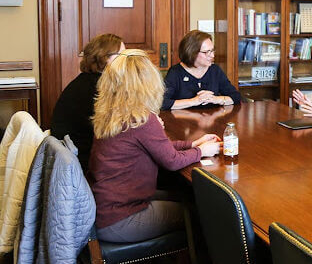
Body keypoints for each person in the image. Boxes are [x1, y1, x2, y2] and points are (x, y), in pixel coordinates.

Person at [89, 48, 221, 243]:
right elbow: (171, 161)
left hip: (106, 209)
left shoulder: (113, 112)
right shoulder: (141, 118)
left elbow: (157, 147)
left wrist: (192, 143)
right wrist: (202, 151)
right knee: (201, 214)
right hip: (121, 219)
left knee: (184, 196)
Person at [50, 33, 125, 171]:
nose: (126, 60)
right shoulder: (98, 87)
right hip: (83, 162)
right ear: (104, 57)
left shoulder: (86, 81)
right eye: (121, 55)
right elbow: (115, 130)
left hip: (72, 156)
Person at [162, 30, 241, 110]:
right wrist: (194, 101)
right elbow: (162, 103)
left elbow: (236, 96)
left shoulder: (215, 70)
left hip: (212, 120)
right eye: (206, 52)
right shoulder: (175, 72)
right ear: (192, 53)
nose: (212, 55)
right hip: (183, 121)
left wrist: (215, 99)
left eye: (212, 50)